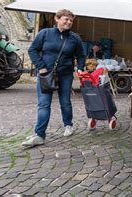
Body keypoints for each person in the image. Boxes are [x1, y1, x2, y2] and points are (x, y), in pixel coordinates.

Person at [23, 9, 86, 147]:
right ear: (57, 19)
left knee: (65, 101)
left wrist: (80, 68)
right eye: (66, 19)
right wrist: (41, 67)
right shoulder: (45, 33)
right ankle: (40, 135)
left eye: (71, 20)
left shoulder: (75, 38)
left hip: (65, 74)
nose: (69, 22)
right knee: (44, 104)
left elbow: (81, 55)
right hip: (46, 74)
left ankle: (68, 125)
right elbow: (32, 50)